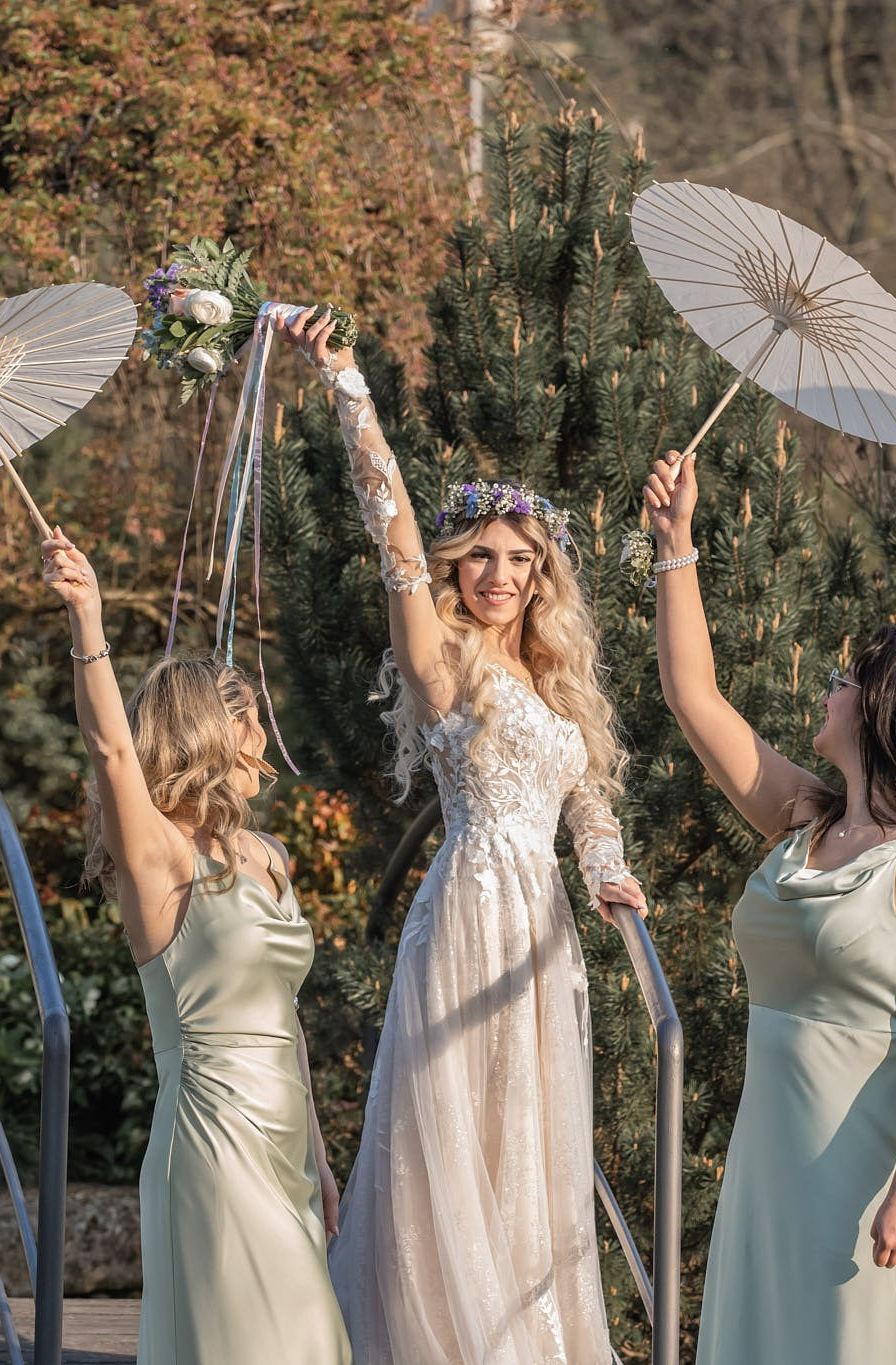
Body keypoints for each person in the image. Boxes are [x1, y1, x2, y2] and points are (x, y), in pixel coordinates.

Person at [277, 309, 646, 1365]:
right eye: (478, 554)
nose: (496, 572)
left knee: (525, 1138)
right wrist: (347, 384)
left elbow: (583, 794)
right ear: (455, 566)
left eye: (518, 558)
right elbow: (389, 530)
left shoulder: (555, 680)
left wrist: (606, 867)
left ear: (542, 575)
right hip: (471, 910)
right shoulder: (443, 657)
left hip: (542, 928)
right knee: (451, 1131)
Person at [640, 449, 896, 1365]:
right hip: (769, 1158)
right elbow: (694, 698)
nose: (827, 687)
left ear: (884, 708)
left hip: (870, 1165)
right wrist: (674, 545)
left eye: (845, 677)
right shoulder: (804, 816)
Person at [42, 528, 348, 1365]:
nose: (263, 744)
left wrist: (318, 1155)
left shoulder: (268, 857)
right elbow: (110, 749)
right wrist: (87, 620)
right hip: (213, 1141)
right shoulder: (158, 858)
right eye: (250, 724)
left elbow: (287, 1022)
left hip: (285, 1142)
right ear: (207, 733)